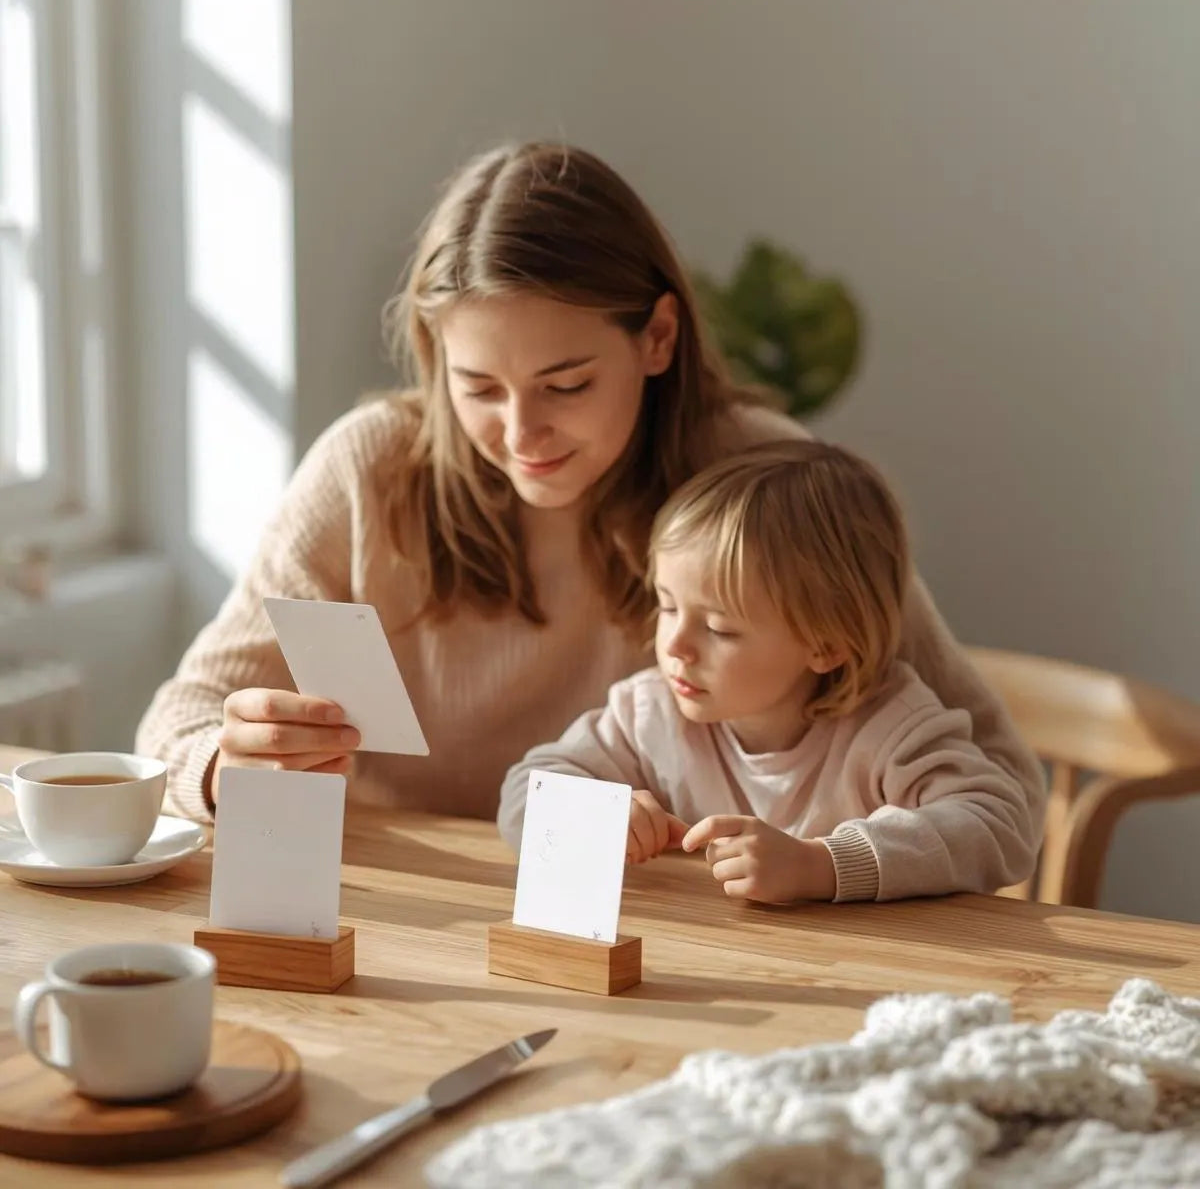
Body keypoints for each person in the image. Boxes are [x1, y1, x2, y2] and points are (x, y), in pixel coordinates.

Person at [135, 140, 1042, 827]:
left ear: (656, 339)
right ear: (433, 355)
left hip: (673, 954)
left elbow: (997, 772)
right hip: (407, 933)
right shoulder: (370, 474)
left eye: (567, 386)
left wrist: (834, 870)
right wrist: (223, 762)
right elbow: (176, 720)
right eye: (478, 388)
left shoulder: (752, 476)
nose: (521, 435)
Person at [498, 441, 1043, 903]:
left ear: (826, 644)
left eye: (720, 628)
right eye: (666, 606)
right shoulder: (649, 713)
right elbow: (524, 791)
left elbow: (999, 824)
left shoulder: (891, 727)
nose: (676, 646)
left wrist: (821, 865)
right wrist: (589, 817)